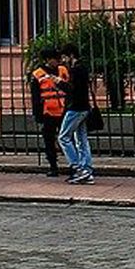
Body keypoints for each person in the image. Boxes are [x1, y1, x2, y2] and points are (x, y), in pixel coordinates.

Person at [57, 43, 96, 185]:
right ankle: (86, 169)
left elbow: (72, 90)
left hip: (75, 108)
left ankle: (78, 167)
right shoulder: (83, 68)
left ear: (71, 55)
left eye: (64, 57)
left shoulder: (75, 70)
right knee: (81, 139)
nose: (63, 60)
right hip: (83, 107)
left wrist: (59, 82)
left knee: (63, 138)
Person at [29, 52, 68, 177]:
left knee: (68, 139)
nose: (58, 61)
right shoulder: (38, 74)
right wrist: (37, 114)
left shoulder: (63, 70)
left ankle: (74, 164)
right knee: (49, 141)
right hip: (48, 112)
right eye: (55, 58)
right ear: (47, 59)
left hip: (64, 110)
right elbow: (35, 96)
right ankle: (53, 166)